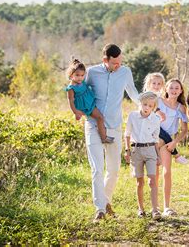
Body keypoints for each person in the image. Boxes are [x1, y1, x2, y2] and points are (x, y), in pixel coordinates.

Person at [85, 44, 139, 222]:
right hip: (93, 125)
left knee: (114, 169)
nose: (118, 65)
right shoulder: (92, 73)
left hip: (114, 126)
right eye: (115, 63)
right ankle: (99, 209)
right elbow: (81, 93)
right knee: (97, 169)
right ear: (105, 60)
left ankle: (105, 200)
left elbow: (133, 93)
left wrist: (151, 106)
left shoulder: (125, 72)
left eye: (120, 62)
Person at [124, 92, 162, 220]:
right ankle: (141, 209)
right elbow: (127, 134)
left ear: (153, 107)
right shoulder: (132, 116)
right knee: (140, 182)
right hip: (136, 151)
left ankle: (155, 210)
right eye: (145, 104)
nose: (147, 107)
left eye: (150, 106)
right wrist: (127, 150)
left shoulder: (156, 119)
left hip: (151, 150)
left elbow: (156, 139)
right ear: (140, 104)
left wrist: (159, 156)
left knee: (152, 180)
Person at [156, 78, 189, 216]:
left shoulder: (181, 108)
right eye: (171, 87)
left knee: (166, 172)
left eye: (177, 88)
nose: (174, 90)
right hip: (154, 137)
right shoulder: (158, 101)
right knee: (154, 173)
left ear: (181, 90)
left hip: (168, 142)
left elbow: (184, 130)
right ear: (166, 89)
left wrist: (175, 142)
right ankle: (154, 207)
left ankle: (166, 207)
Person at [143, 73, 189, 165]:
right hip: (149, 127)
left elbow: (185, 129)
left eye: (159, 84)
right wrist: (159, 111)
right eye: (154, 83)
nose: (156, 86)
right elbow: (146, 107)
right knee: (159, 133)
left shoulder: (158, 97)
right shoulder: (150, 95)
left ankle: (146, 159)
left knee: (161, 138)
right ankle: (176, 155)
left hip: (159, 132)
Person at [65, 59, 113, 144]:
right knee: (100, 118)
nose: (80, 77)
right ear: (71, 75)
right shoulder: (71, 88)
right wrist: (75, 111)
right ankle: (103, 138)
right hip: (85, 106)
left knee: (99, 117)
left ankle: (80, 115)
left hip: (89, 102)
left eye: (82, 75)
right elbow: (71, 101)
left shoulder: (82, 81)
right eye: (77, 75)